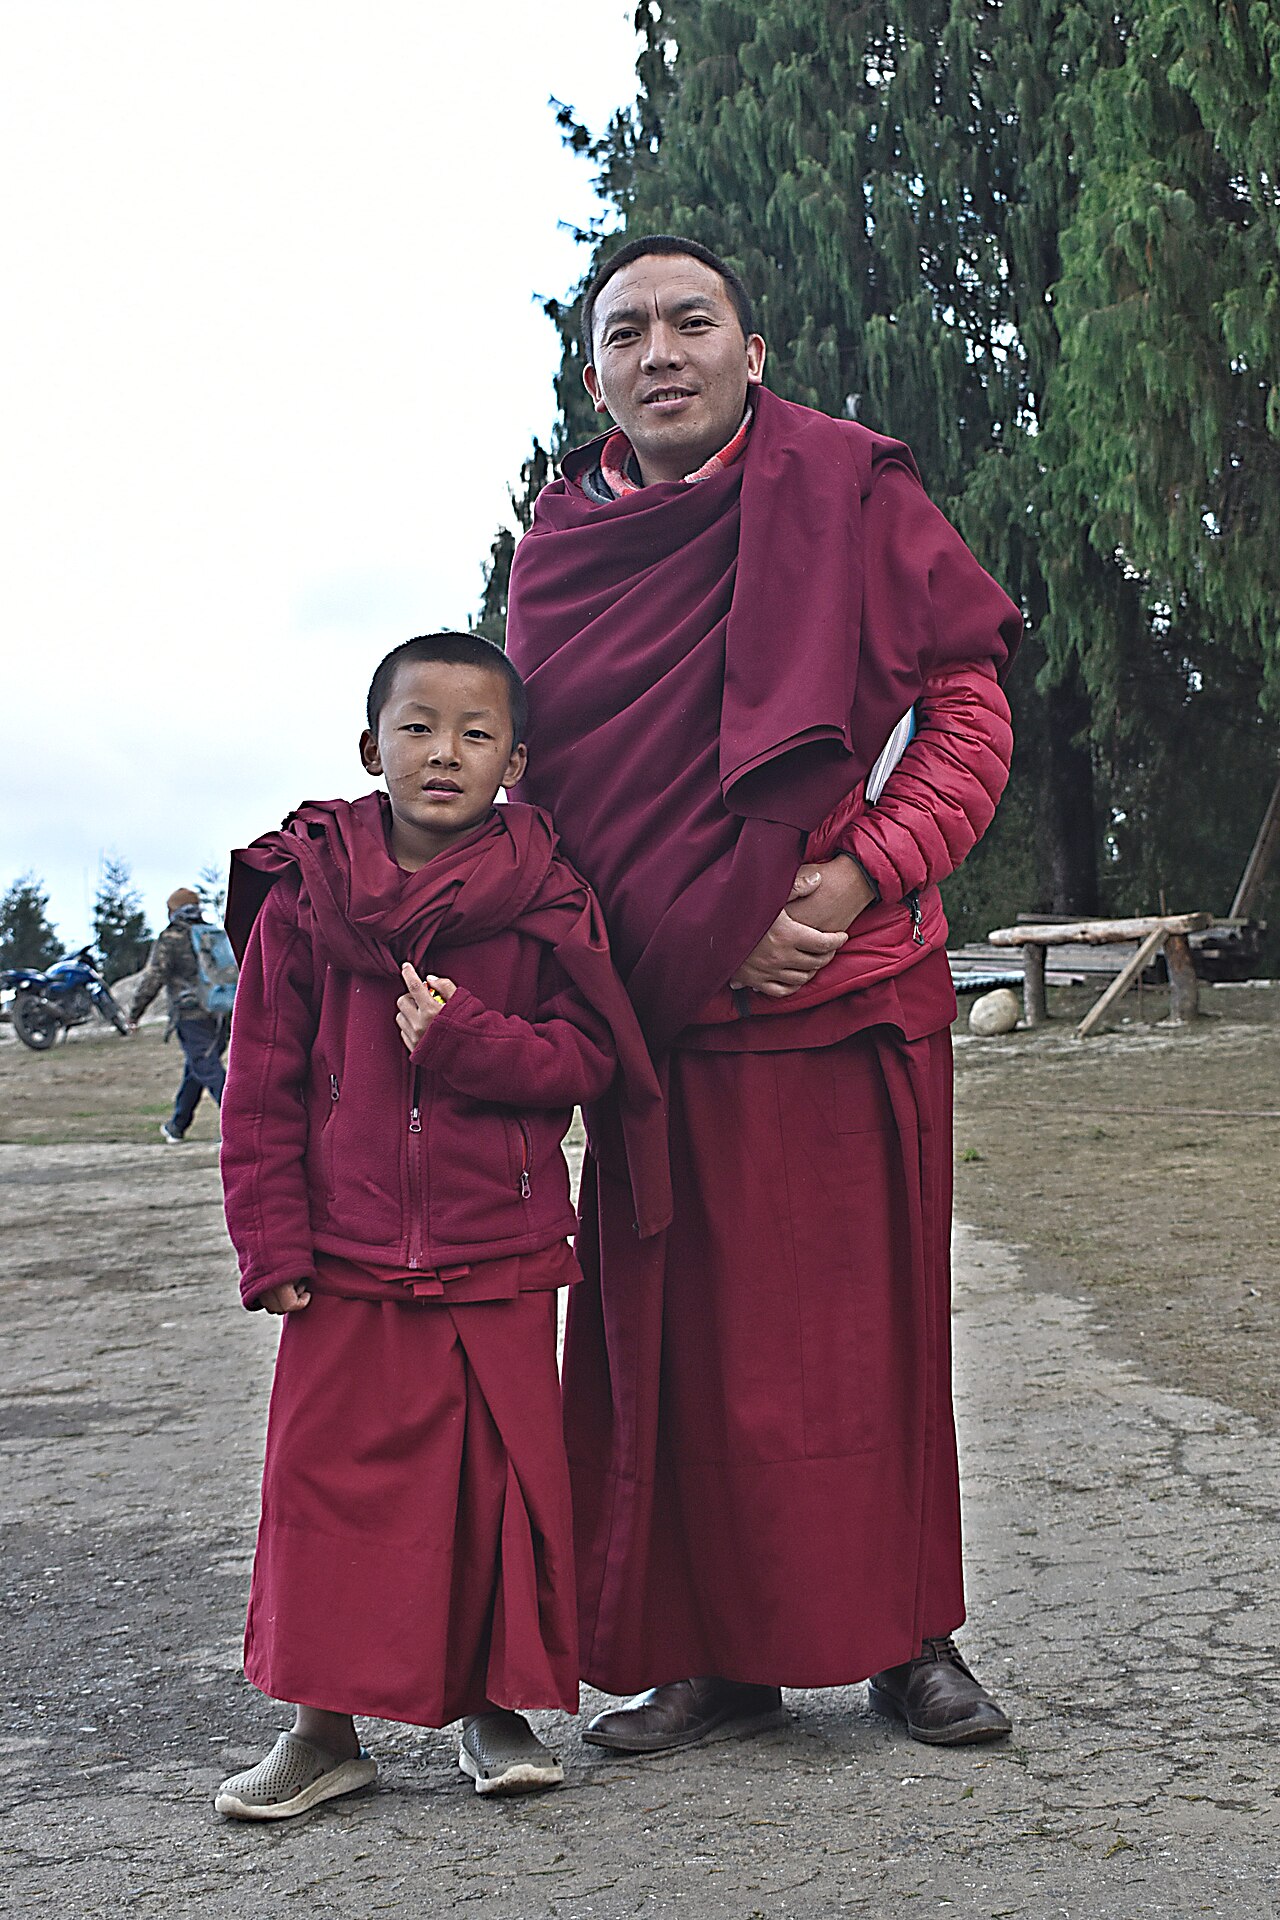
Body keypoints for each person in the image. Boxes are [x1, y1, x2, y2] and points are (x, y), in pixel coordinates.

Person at [506, 235, 1022, 1755]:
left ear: (754, 350)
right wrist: (697, 936)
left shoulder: (850, 487)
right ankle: (707, 1654)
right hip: (669, 1010)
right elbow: (559, 807)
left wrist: (860, 873)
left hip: (852, 988)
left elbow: (969, 711)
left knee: (870, 1335)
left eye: (690, 320)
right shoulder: (564, 553)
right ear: (591, 372)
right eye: (625, 332)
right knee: (678, 1341)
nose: (659, 350)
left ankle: (906, 1639)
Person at [213, 632, 667, 1820]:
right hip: (347, 1255)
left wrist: (470, 1043)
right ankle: (321, 1732)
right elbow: (260, 1081)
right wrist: (273, 1245)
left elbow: (590, 1057)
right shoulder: (307, 898)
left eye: (475, 734)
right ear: (371, 748)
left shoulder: (546, 903)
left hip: (499, 1253)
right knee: (327, 1493)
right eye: (417, 728)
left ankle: (493, 1710)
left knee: (496, 1493)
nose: (444, 754)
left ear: (514, 761)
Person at [128, 888, 228, 1143]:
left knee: (207, 1068)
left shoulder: (171, 937)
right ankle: (177, 1126)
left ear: (173, 910)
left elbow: (155, 976)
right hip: (222, 1011)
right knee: (196, 1068)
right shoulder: (213, 934)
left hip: (191, 1013)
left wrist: (135, 1012)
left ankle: (241, 1124)